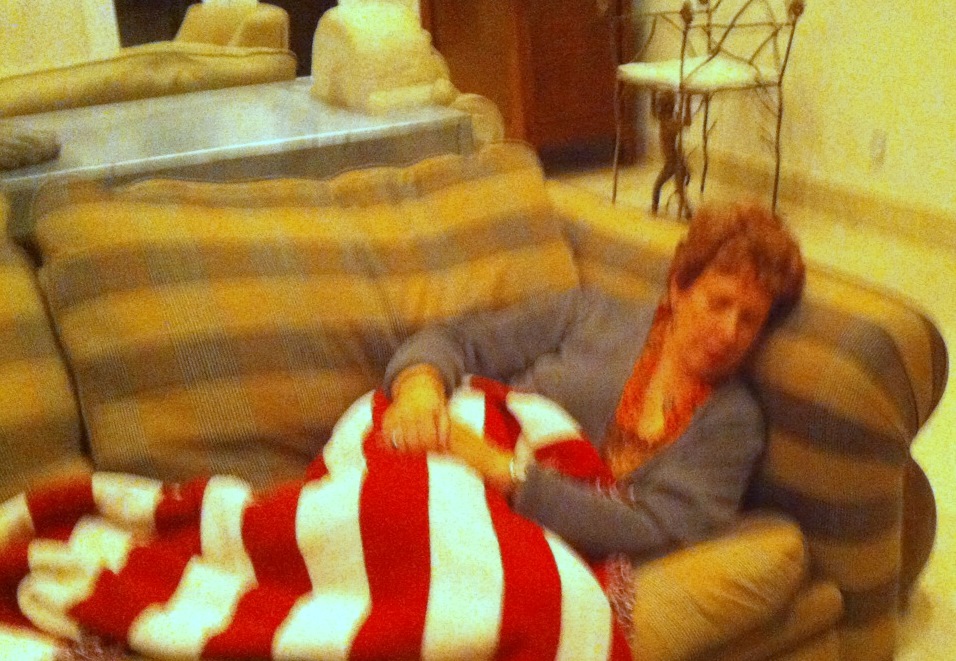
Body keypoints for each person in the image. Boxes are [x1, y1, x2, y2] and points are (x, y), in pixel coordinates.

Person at [381, 202, 805, 565]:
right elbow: (459, 341)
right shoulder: (590, 315)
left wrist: (504, 471)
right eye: (718, 303)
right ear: (679, 288)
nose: (729, 332)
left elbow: (656, 528)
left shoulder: (734, 424)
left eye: (749, 319)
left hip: (528, 535)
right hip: (450, 459)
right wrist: (419, 392)